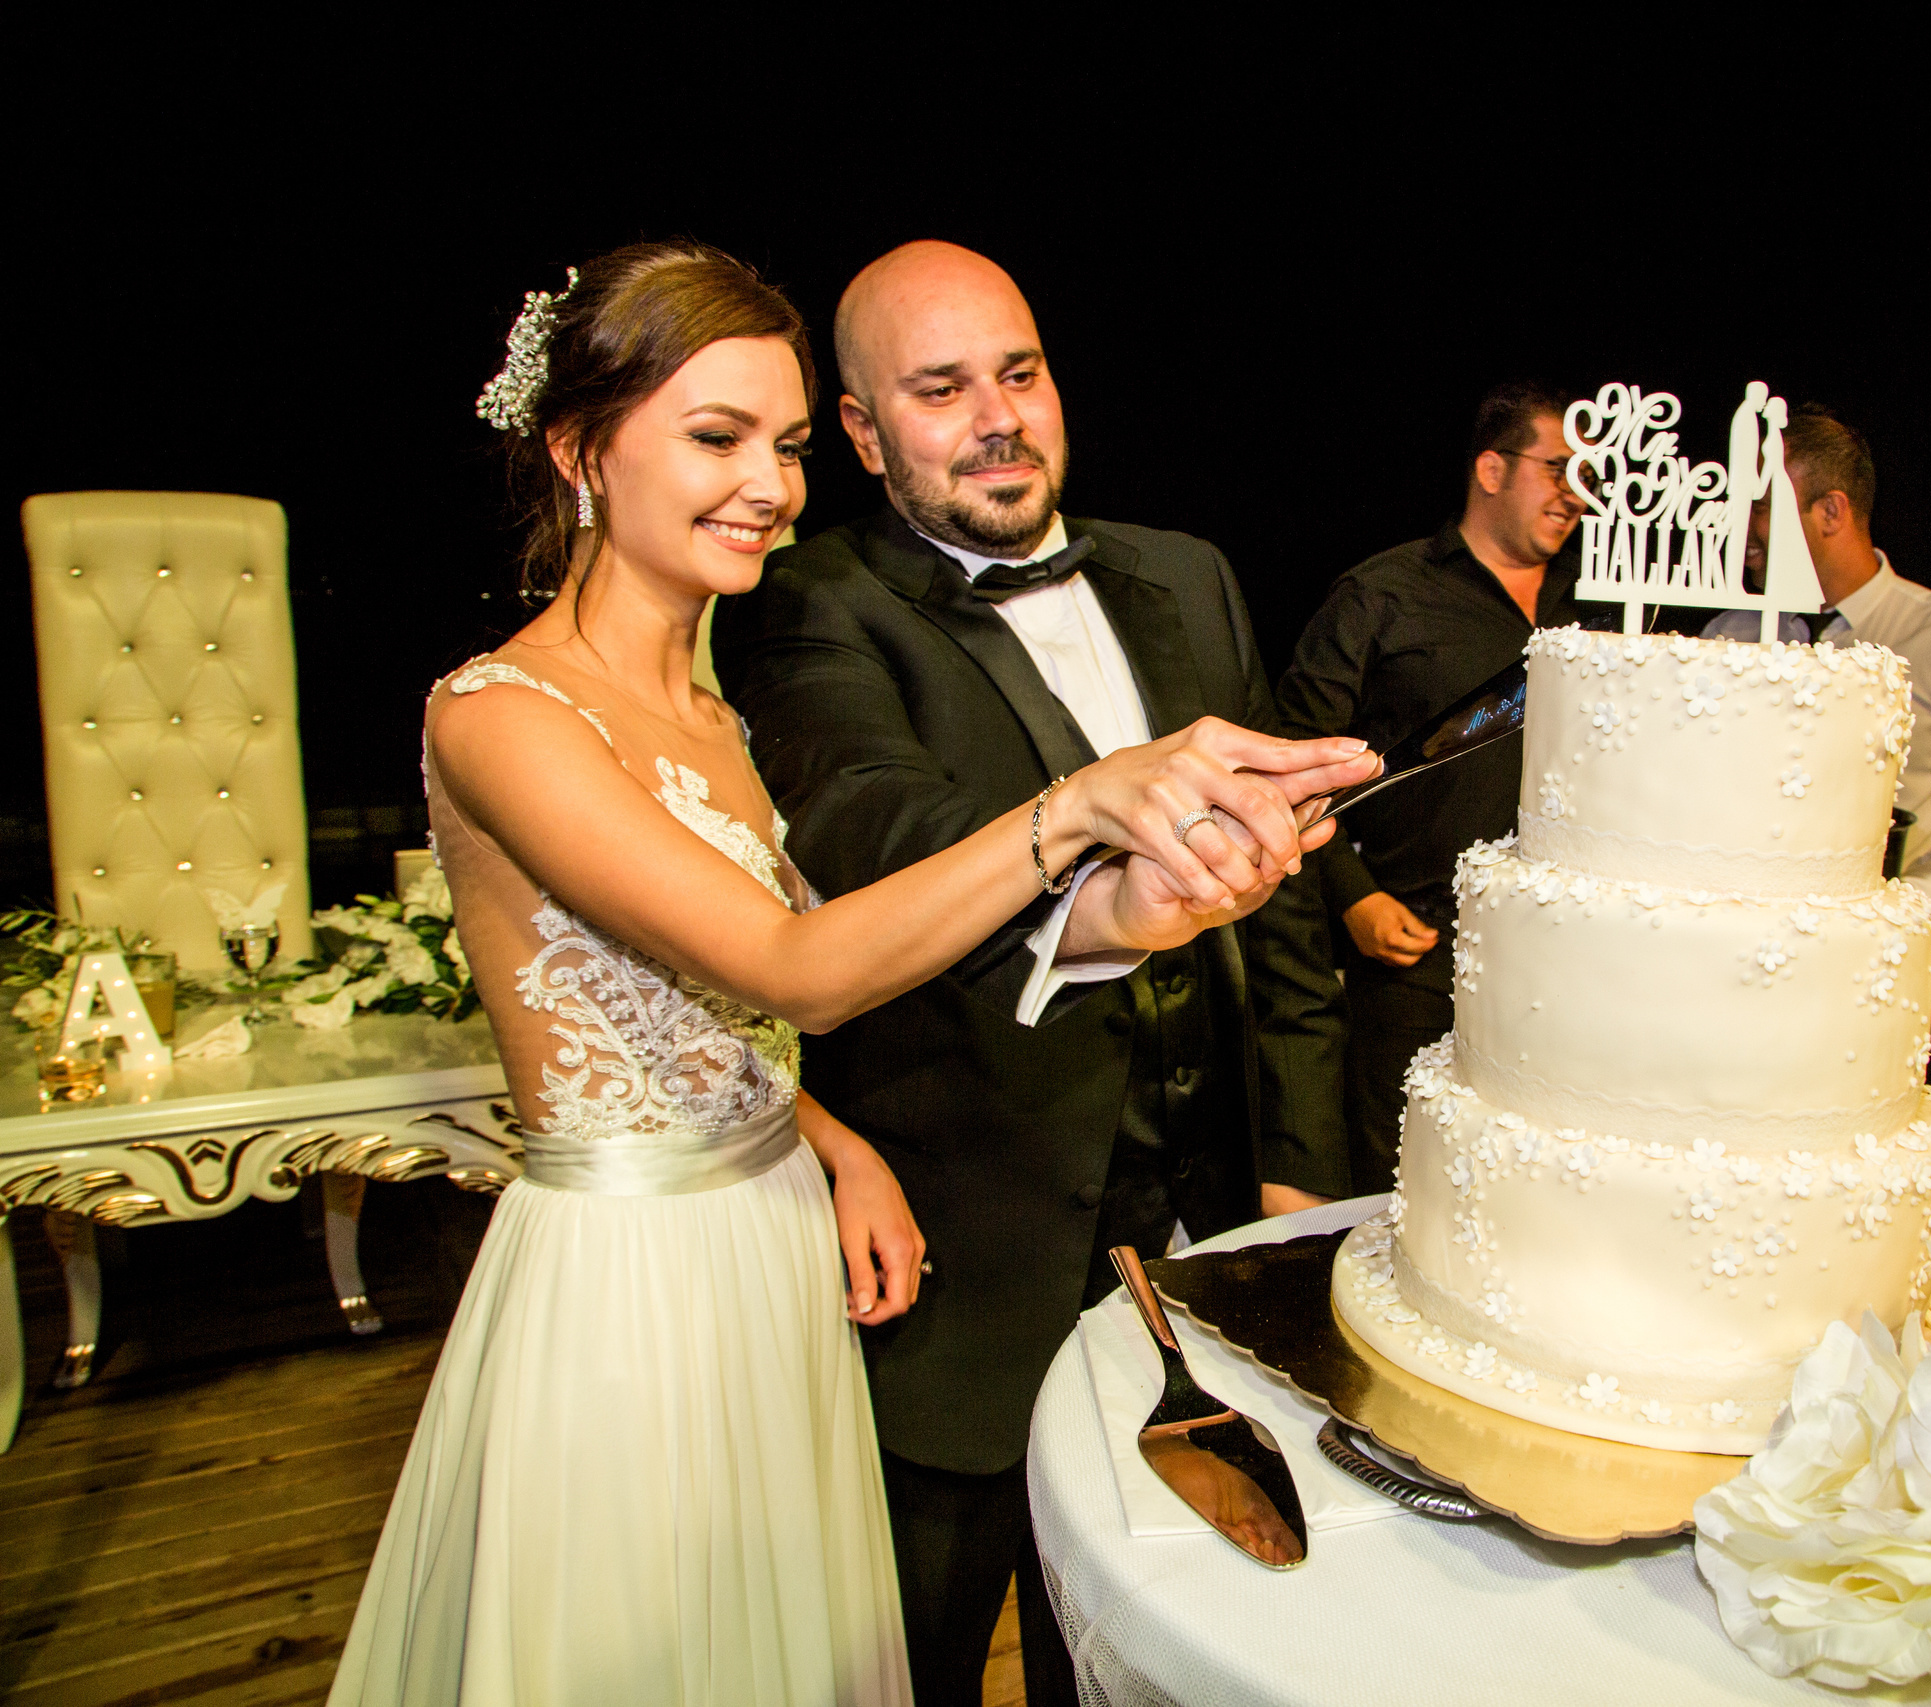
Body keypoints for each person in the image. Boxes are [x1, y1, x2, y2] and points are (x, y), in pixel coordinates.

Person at [332, 243, 1372, 1707]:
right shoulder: (500, 712)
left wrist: (829, 1140)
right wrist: (1076, 805)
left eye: (783, 444)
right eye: (715, 438)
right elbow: (791, 966)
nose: (770, 482)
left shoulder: (708, 702)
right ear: (578, 450)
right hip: (641, 1282)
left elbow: (703, 999)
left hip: (787, 1241)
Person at [710, 242, 1354, 1706]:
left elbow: (1289, 915)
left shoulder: (1188, 574)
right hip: (970, 1264)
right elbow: (886, 829)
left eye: (1021, 372)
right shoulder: (810, 603)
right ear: (865, 435)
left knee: (1172, 1644)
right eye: (941, 390)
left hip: (1206, 1253)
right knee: (928, 1653)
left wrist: (1297, 1179)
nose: (999, 416)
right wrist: (1100, 838)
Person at [1274, 381, 1620, 1194]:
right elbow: (1294, 756)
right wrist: (1352, 895)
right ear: (1492, 469)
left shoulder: (1602, 607)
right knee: (1402, 1195)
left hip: (1569, 963)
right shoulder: (1383, 595)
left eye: (1589, 477)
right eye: (1559, 468)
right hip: (1416, 956)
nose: (1577, 495)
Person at [1708, 406, 1931, 1045]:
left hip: (1882, 996)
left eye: (1758, 504)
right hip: (1739, 986)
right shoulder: (1730, 635)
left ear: (1831, 512)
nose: (1739, 526)